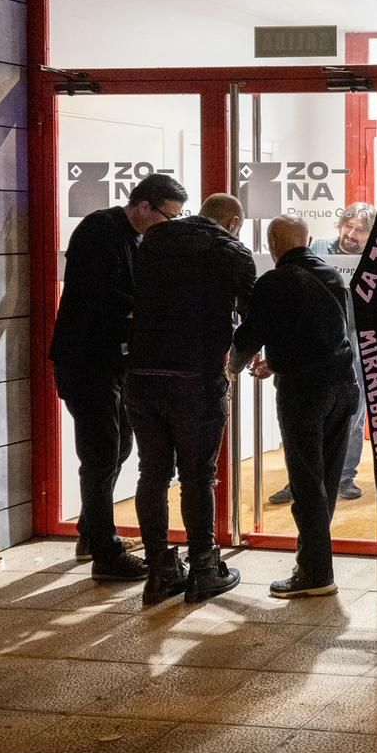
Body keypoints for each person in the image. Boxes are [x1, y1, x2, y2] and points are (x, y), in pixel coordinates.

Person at [50, 173, 187, 582]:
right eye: (168, 216)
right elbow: (100, 295)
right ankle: (105, 553)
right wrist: (150, 310)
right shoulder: (99, 229)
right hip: (85, 360)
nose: (169, 225)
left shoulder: (141, 238)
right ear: (144, 206)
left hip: (112, 362)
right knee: (100, 453)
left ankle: (92, 532)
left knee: (118, 446)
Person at [126, 193, 255, 605]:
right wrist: (240, 359)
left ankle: (160, 571)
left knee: (152, 473)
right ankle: (203, 567)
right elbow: (252, 316)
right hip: (196, 378)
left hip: (143, 375)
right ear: (233, 221)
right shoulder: (231, 250)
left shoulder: (151, 242)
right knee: (198, 475)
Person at [230, 215, 359, 598]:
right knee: (326, 482)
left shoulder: (274, 281)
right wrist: (278, 360)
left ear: (272, 244)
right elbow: (323, 333)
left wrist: (232, 368)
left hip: (305, 393)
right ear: (310, 239)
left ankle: (316, 574)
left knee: (306, 484)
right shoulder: (332, 276)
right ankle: (315, 562)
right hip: (342, 387)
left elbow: (251, 334)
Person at [270, 201, 373, 506]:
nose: (351, 234)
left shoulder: (374, 258)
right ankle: (299, 480)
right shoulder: (320, 249)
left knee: (353, 415)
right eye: (348, 225)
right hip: (313, 344)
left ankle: (344, 476)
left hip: (354, 343)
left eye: (360, 230)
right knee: (302, 422)